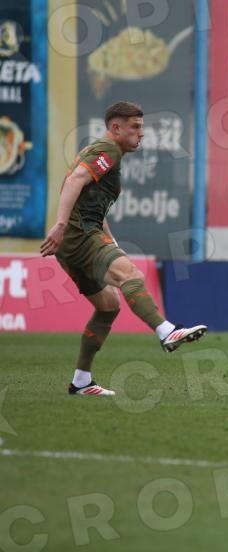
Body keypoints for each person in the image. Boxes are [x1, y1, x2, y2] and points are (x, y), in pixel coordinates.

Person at [40, 101, 207, 397]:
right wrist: (61, 224)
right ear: (116, 128)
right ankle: (166, 331)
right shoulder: (109, 150)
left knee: (108, 306)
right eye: (135, 127)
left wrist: (112, 244)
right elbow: (74, 181)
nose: (141, 133)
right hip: (79, 236)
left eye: (142, 127)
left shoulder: (107, 153)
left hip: (76, 240)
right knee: (131, 276)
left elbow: (93, 206)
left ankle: (81, 381)